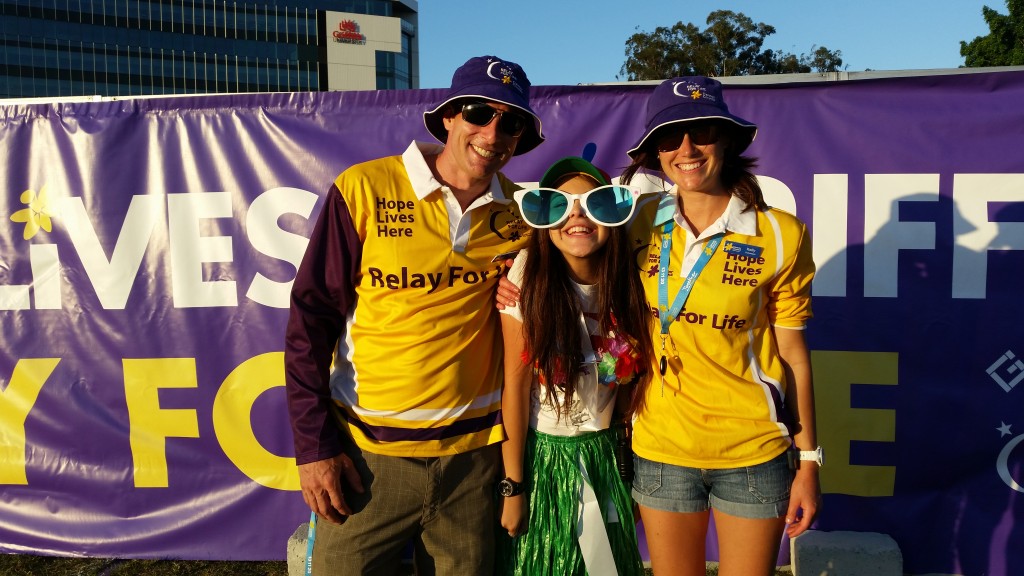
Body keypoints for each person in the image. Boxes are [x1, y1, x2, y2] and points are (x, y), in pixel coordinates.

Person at [284, 55, 543, 576]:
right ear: (449, 116)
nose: (492, 133)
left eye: (510, 122)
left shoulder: (524, 214)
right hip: (368, 461)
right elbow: (310, 323)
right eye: (478, 113)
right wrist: (313, 450)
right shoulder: (365, 188)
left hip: (474, 462)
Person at [621, 76, 820, 576]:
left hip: (752, 451)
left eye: (701, 131)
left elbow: (794, 354)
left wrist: (811, 459)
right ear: (655, 151)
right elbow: (569, 255)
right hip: (661, 447)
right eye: (670, 136)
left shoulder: (779, 232)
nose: (686, 148)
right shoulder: (636, 220)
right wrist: (514, 283)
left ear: (727, 139)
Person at [496, 157, 653, 576]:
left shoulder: (631, 281)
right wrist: (514, 485)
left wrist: (627, 468)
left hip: (606, 456)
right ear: (543, 220)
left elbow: (629, 387)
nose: (577, 215)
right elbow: (514, 387)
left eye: (593, 204)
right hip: (545, 458)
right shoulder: (526, 277)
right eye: (560, 205)